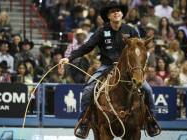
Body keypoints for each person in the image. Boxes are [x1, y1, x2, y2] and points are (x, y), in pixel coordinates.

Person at [59, 1, 160, 138]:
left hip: (129, 70)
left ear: (122, 14)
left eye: (118, 10)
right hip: (107, 66)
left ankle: (151, 121)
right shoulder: (102, 31)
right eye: (113, 11)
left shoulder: (131, 30)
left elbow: (140, 50)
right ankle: (84, 122)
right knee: (88, 89)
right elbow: (87, 46)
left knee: (147, 89)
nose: (116, 12)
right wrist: (69, 58)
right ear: (108, 16)